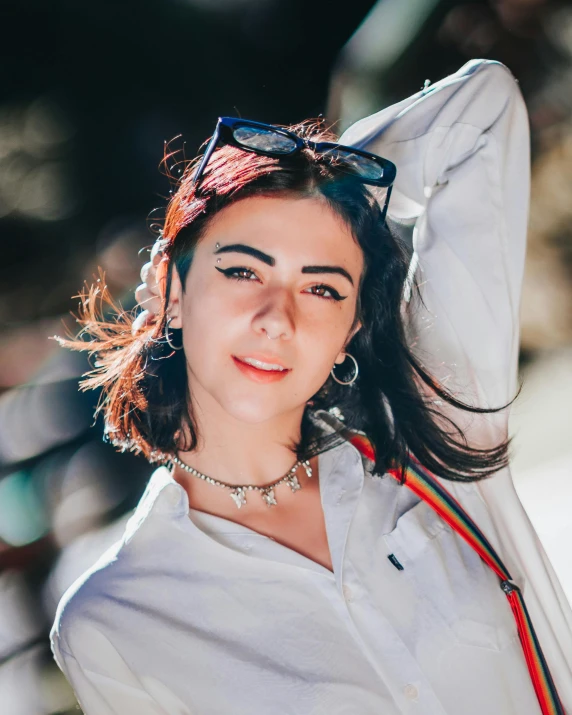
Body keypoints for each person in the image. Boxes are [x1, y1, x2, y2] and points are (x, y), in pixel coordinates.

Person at [49, 59, 572, 714]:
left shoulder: (432, 418)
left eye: (323, 285)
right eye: (244, 269)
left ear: (351, 325)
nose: (278, 318)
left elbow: (482, 111)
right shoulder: (115, 621)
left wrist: (323, 184)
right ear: (170, 288)